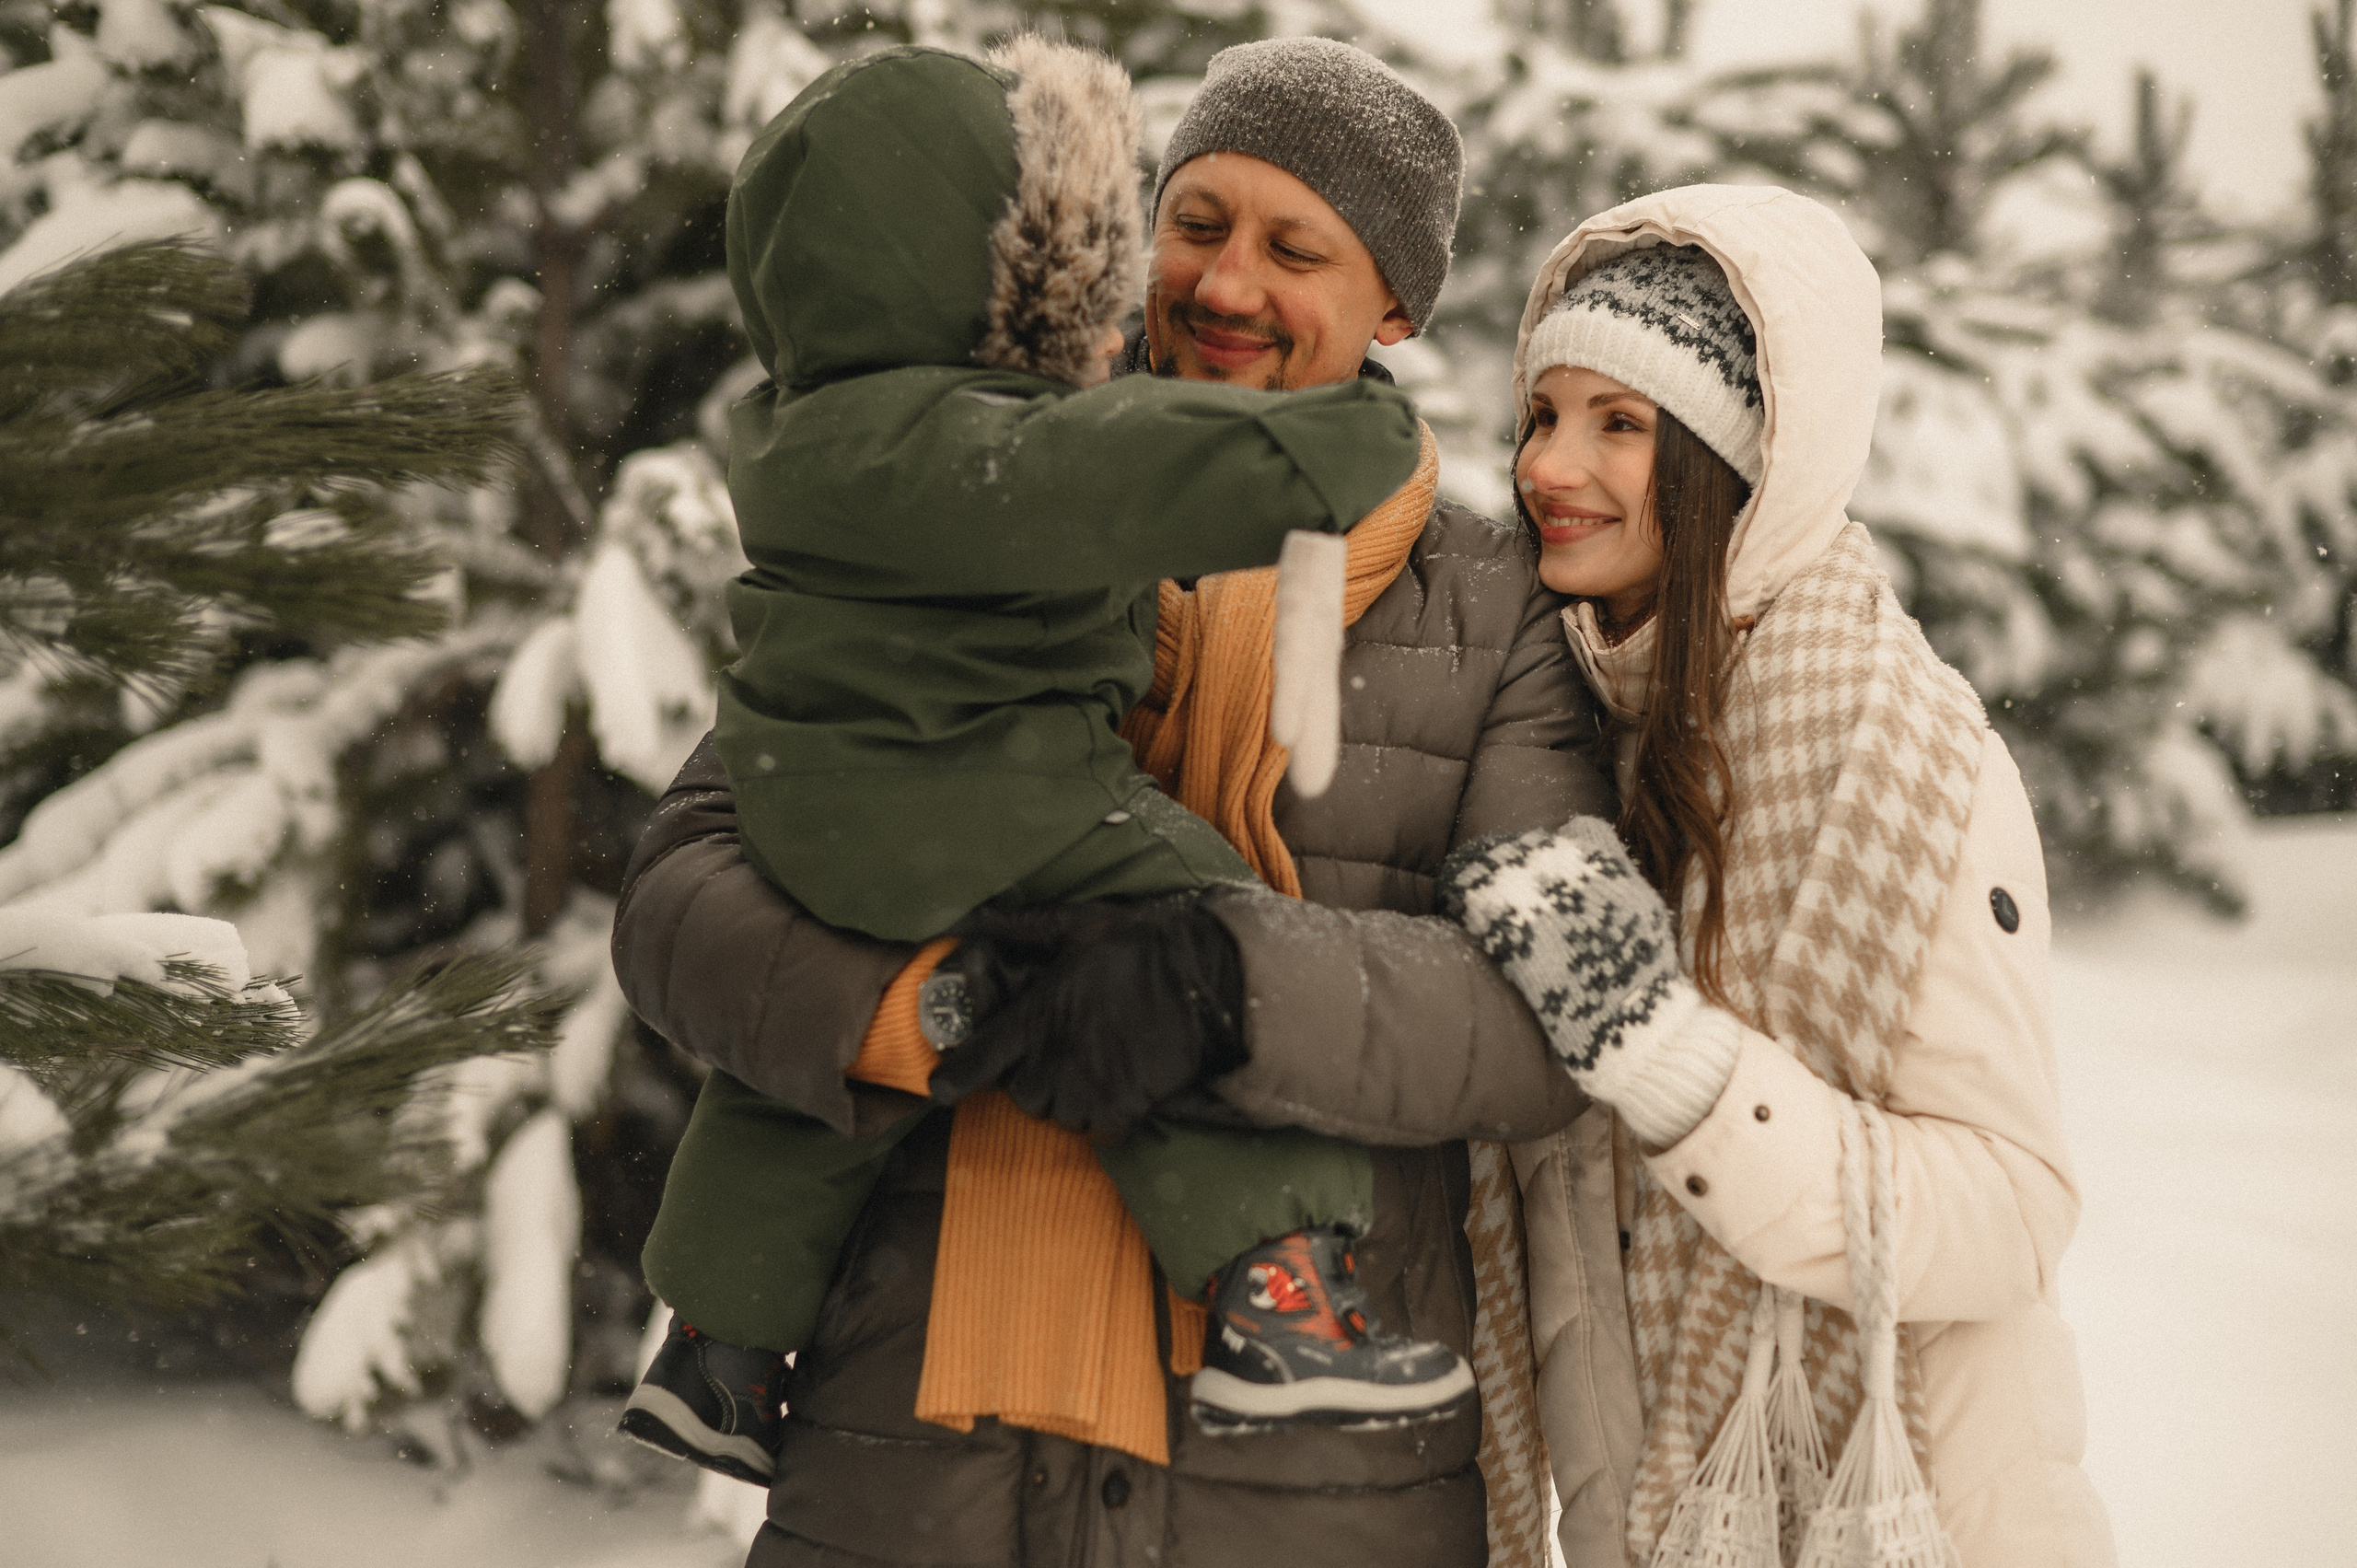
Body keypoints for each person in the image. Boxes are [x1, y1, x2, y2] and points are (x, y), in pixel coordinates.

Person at [611, 36, 1613, 1568]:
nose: (1223, 284)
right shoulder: (979, 491)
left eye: (1296, 249)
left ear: (1396, 304)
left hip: (1307, 1499)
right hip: (914, 1459)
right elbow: (688, 884)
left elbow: (1548, 1023)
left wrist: (1227, 992)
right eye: (1196, 223)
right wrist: (906, 1011)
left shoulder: (1494, 621)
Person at [1435, 185, 2117, 1566]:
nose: (1550, 467)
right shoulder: (1562, 733)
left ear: (1741, 461)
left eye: (1619, 424)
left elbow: (2013, 1212)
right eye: (1541, 415)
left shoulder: (1897, 752)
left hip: (1904, 1522)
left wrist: (1683, 1071)